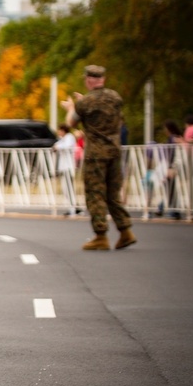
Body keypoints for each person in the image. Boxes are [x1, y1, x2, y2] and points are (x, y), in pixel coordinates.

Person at [63, 64, 136, 250]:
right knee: (113, 194)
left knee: (95, 193)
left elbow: (70, 122)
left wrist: (72, 107)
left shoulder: (85, 102)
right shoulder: (115, 97)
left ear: (88, 80)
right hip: (114, 151)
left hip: (95, 154)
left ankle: (100, 235)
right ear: (103, 79)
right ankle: (125, 231)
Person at [54, 123, 78, 216]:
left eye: (59, 130)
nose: (58, 132)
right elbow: (56, 145)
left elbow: (65, 146)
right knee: (65, 188)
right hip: (64, 167)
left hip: (69, 166)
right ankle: (71, 207)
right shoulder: (62, 139)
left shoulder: (69, 137)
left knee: (69, 188)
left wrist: (57, 147)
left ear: (63, 130)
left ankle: (73, 208)